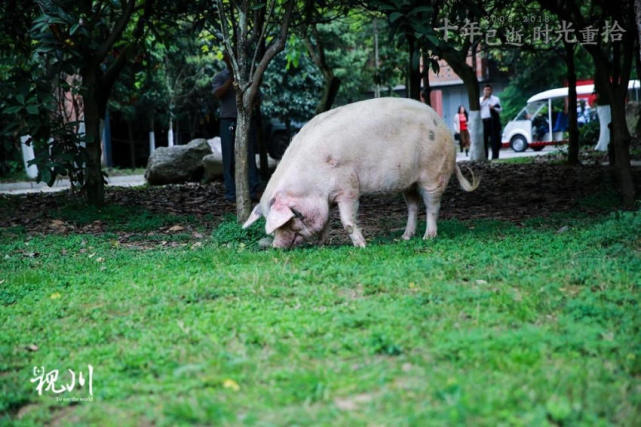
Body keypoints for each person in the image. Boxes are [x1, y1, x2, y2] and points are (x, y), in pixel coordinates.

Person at [212, 52, 260, 202]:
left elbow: (257, 97)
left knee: (249, 156)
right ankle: (231, 193)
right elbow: (217, 94)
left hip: (245, 120)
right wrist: (232, 77)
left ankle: (252, 191)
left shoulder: (247, 77)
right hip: (227, 120)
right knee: (229, 159)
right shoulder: (220, 76)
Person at [480, 84, 502, 159]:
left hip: (493, 121)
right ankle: (485, 157)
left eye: (489, 90)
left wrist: (493, 108)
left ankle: (495, 157)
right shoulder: (480, 100)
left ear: (491, 91)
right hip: (483, 121)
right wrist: (484, 100)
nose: (487, 91)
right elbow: (478, 109)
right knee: (484, 140)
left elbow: (500, 110)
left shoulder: (496, 99)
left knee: (494, 140)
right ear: (483, 91)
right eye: (486, 90)